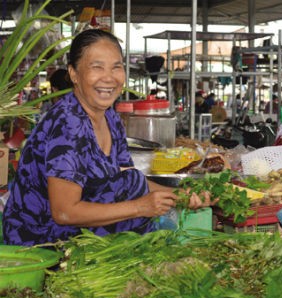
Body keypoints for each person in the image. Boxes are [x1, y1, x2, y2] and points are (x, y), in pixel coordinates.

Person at [2, 29, 213, 246]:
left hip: (77, 234)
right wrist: (141, 207)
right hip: (41, 241)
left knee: (133, 181)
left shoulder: (110, 117)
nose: (109, 77)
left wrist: (179, 196)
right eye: (97, 67)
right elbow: (64, 212)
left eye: (116, 67)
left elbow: (127, 175)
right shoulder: (67, 125)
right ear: (74, 74)